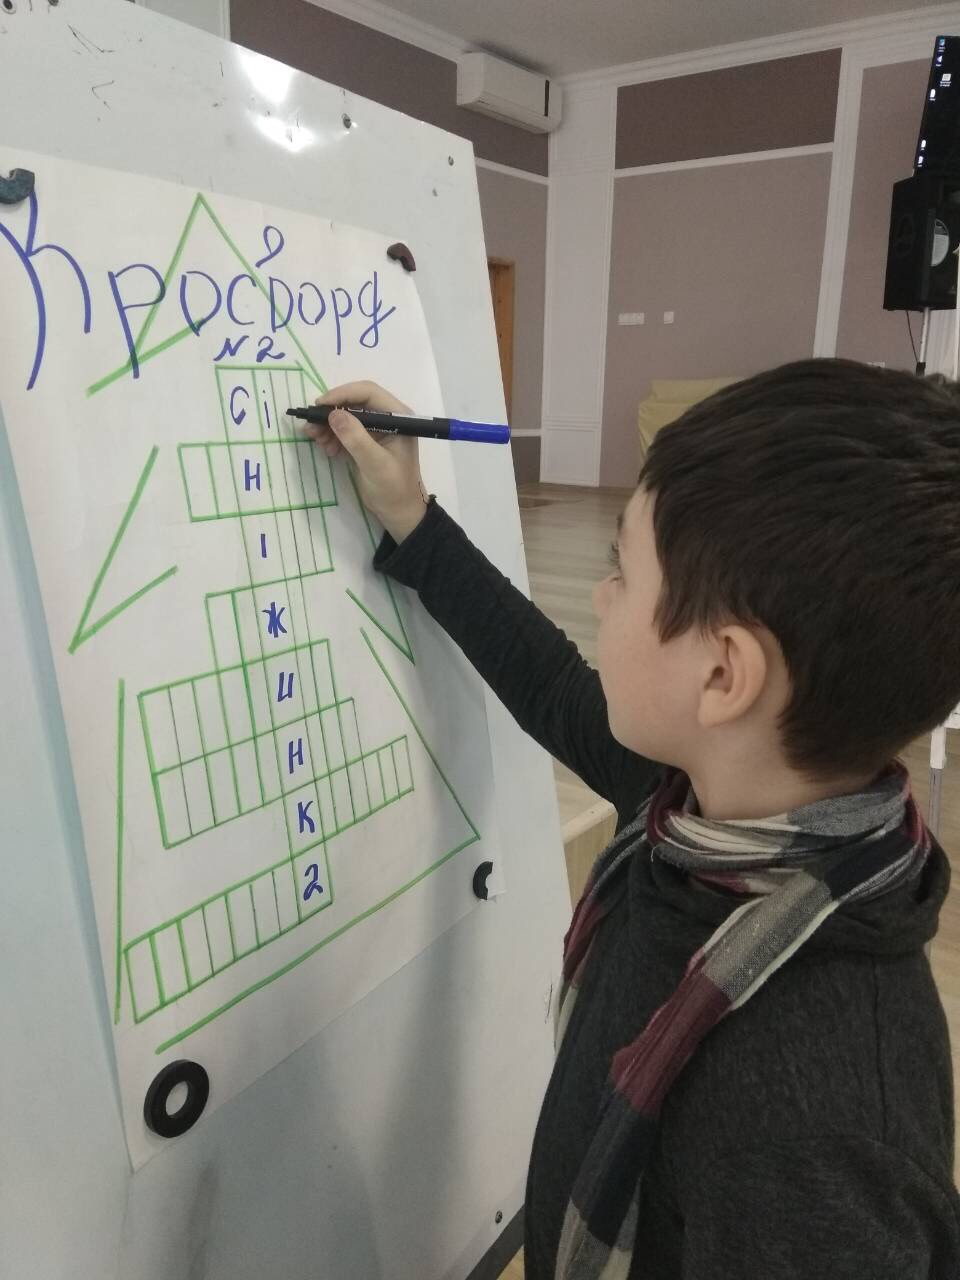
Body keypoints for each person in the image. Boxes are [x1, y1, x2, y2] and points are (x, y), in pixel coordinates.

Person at [304, 360, 960, 1279]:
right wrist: (410, 514)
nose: (600, 594)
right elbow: (548, 682)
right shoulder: (688, 800)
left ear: (723, 675)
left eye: (622, 571)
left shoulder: (823, 1132)